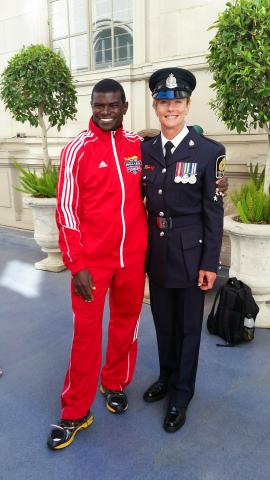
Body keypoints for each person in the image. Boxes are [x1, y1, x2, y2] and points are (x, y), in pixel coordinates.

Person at [47, 79, 148, 450]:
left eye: (113, 106)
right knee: (86, 336)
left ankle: (114, 382)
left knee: (126, 324)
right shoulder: (77, 149)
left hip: (132, 258)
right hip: (92, 265)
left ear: (124, 106)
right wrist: (76, 264)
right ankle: (75, 411)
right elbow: (67, 211)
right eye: (99, 105)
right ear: (92, 106)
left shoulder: (138, 146)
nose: (106, 112)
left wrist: (214, 182)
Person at [141, 67, 225, 433]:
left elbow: (213, 211)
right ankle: (166, 376)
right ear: (156, 107)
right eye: (163, 102)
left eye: (176, 101)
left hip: (192, 254)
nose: (170, 108)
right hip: (157, 252)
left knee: (189, 327)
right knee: (163, 324)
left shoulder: (209, 152)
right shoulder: (144, 150)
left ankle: (182, 393)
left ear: (187, 105)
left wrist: (211, 263)